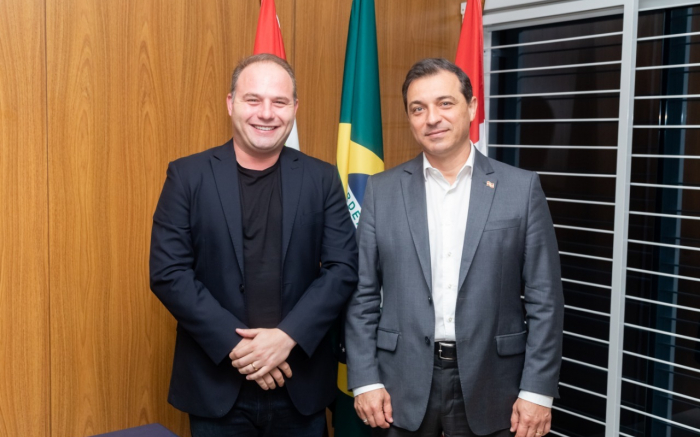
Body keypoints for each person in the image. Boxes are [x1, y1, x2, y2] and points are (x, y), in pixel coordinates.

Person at [344, 58, 564, 437]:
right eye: (418, 108)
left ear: (472, 107)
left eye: (445, 103)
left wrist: (537, 391)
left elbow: (545, 300)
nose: (432, 118)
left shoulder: (520, 189)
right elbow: (362, 294)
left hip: (494, 383)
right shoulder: (381, 191)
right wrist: (365, 380)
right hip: (400, 384)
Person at [150, 53, 358, 437]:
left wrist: (287, 336)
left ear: (294, 108)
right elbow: (169, 273)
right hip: (216, 386)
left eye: (279, 102)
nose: (266, 113)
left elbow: (342, 269)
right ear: (231, 103)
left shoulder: (322, 178)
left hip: (299, 382)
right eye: (253, 99)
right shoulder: (187, 176)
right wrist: (243, 349)